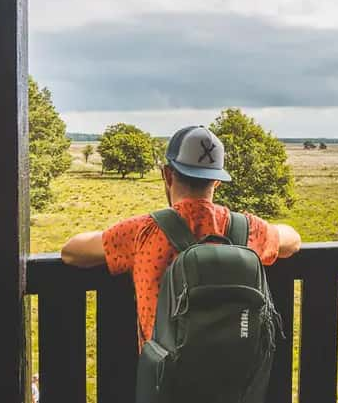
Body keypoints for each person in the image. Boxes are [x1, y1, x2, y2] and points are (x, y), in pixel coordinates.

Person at [60, 125, 302, 346]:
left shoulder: (142, 231)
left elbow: (71, 252)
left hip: (166, 385)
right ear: (216, 182)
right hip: (234, 383)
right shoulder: (246, 229)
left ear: (168, 175)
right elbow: (292, 241)